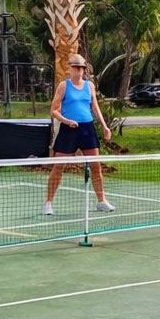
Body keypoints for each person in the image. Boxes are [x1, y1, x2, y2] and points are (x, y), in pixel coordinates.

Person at [45, 54, 115, 217]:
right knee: (59, 166)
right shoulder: (64, 86)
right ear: (69, 68)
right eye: (76, 67)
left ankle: (102, 201)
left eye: (82, 68)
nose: (79, 70)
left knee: (96, 166)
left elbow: (95, 107)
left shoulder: (89, 86)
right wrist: (67, 121)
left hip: (87, 130)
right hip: (68, 130)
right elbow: (54, 110)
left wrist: (104, 126)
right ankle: (48, 203)